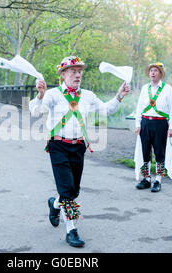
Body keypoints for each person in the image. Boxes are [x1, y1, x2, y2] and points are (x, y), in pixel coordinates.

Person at [29, 56, 130, 247]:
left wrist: (119, 95)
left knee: (73, 191)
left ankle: (55, 203)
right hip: (57, 145)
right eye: (73, 72)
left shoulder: (88, 95)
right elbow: (35, 111)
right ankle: (71, 231)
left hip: (79, 146)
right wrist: (40, 95)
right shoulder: (53, 94)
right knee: (67, 190)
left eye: (79, 72)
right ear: (63, 74)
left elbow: (106, 110)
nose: (78, 75)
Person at [134, 62, 172, 192]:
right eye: (151, 70)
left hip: (160, 124)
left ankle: (158, 180)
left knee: (160, 152)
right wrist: (137, 124)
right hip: (146, 123)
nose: (152, 73)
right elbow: (139, 107)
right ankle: (146, 178)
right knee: (145, 152)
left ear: (160, 73)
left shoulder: (167, 88)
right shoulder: (144, 88)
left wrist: (171, 127)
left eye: (155, 71)